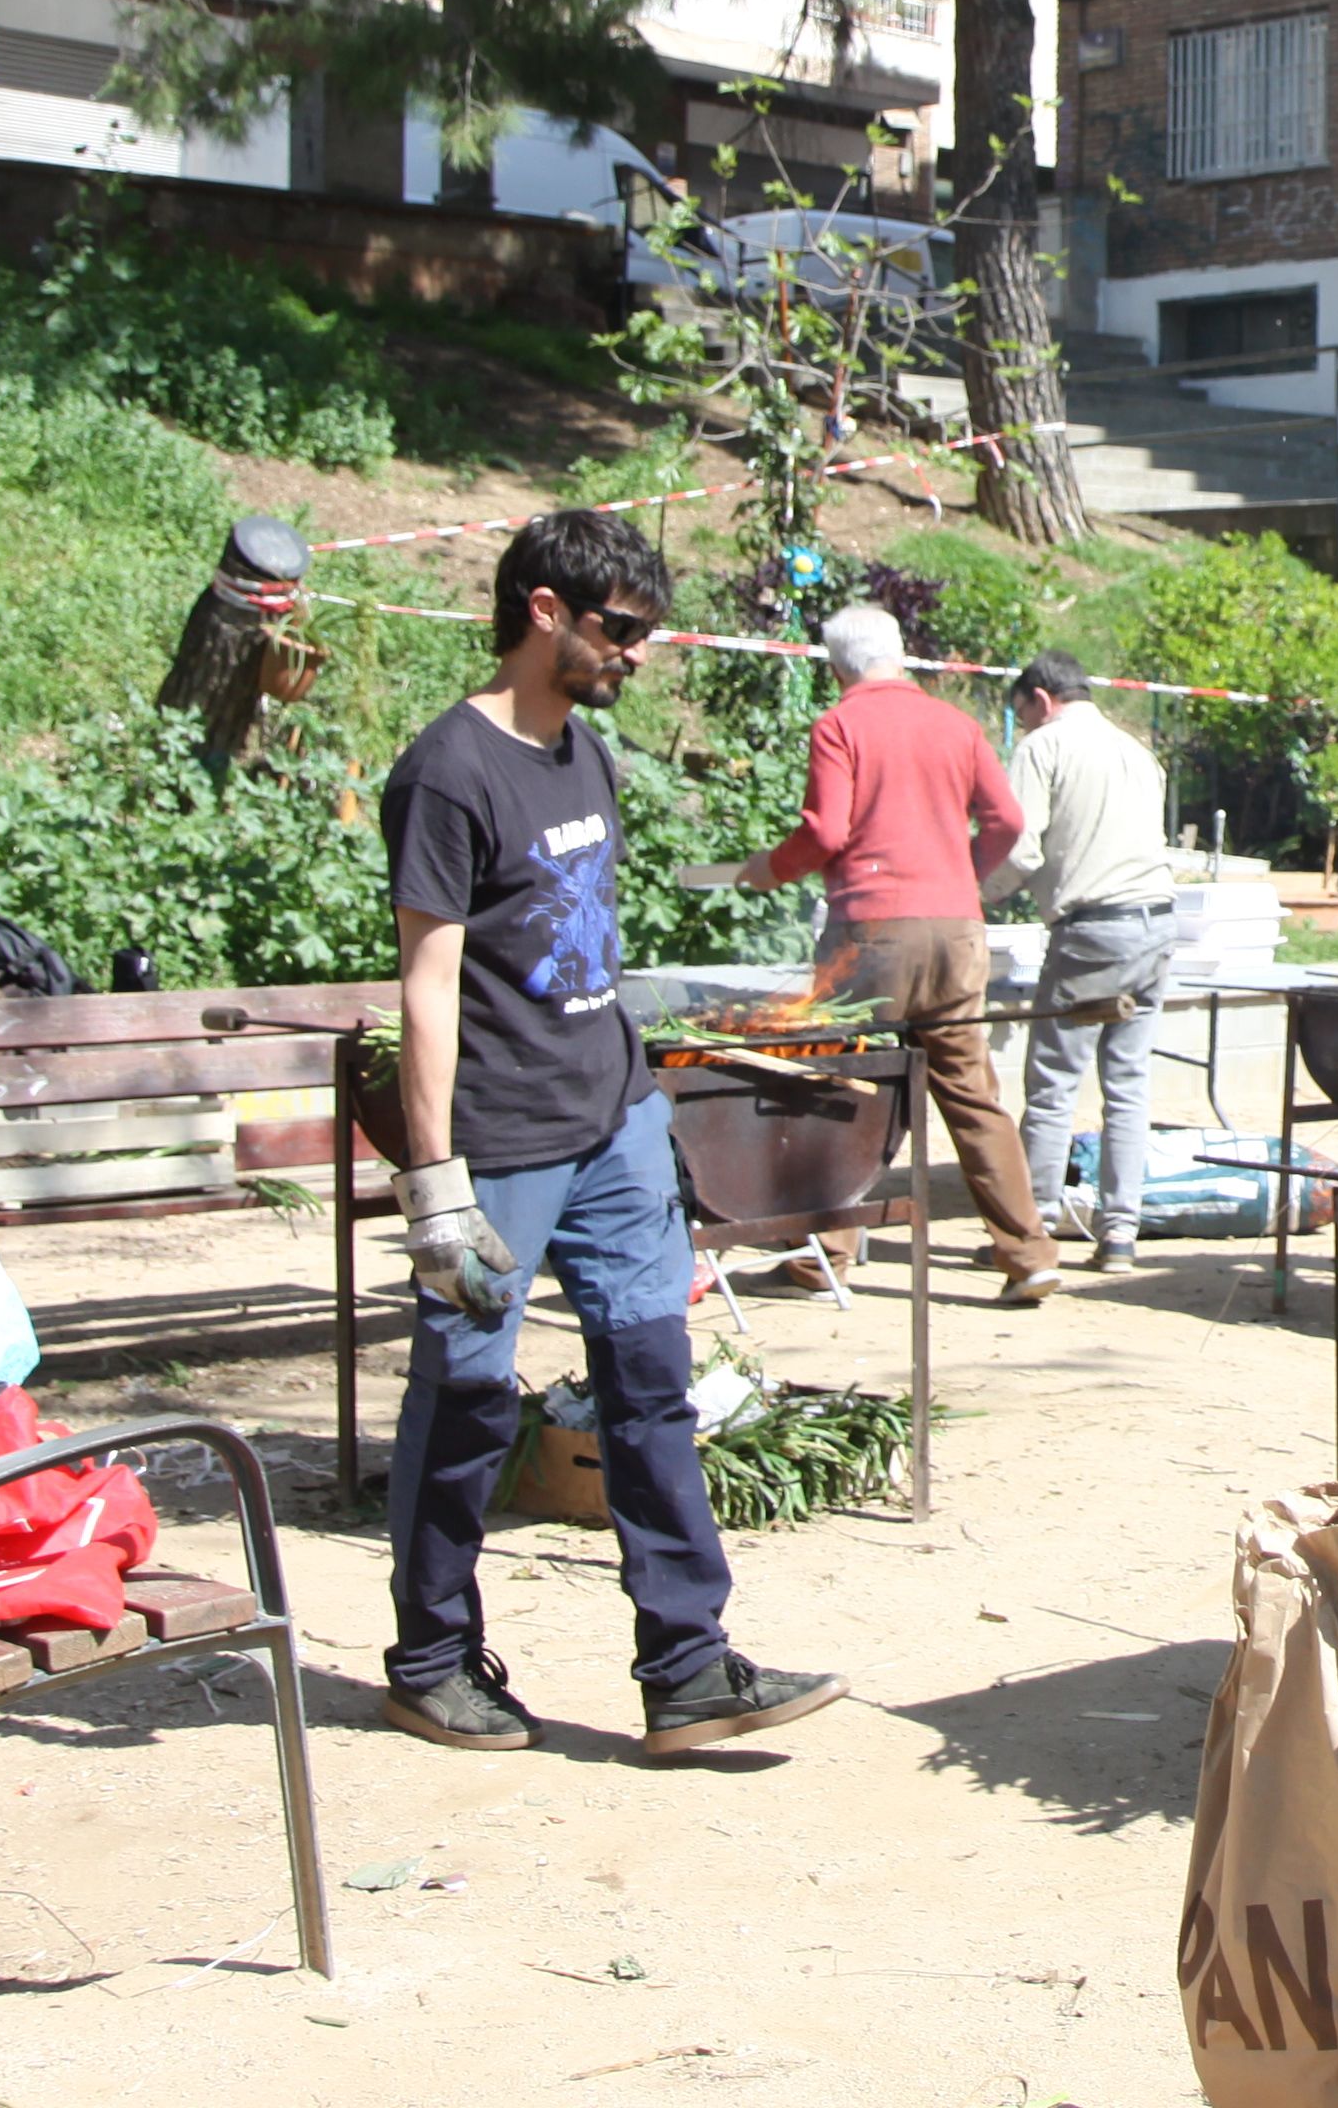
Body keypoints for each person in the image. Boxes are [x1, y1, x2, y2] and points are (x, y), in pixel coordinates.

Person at [377, 508, 835, 1757]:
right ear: (543, 613)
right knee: (467, 1401)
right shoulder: (446, 771)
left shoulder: (582, 752)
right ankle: (428, 1662)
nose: (636, 653)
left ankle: (686, 1668)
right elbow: (427, 982)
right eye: (619, 629)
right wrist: (433, 1184)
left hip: (614, 1121)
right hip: (504, 1139)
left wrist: (640, 1108)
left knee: (652, 1384)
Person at [690, 603, 1062, 1303]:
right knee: (972, 1092)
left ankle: (821, 1256)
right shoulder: (957, 724)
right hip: (957, 932)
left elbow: (827, 830)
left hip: (872, 932)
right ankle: (1028, 1252)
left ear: (838, 667)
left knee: (840, 1088)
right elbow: (1008, 819)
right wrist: (962, 876)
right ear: (900, 653)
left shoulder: (840, 724)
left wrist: (772, 867)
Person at [1000, 650, 1182, 1270]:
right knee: (1128, 1085)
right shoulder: (1137, 751)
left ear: (1041, 700)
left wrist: (970, 892)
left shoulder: (1043, 748)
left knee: (1053, 1084)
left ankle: (1036, 1226)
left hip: (1091, 931)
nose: (1023, 728)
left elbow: (1019, 852)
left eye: (1022, 716)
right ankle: (1120, 1235)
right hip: (1155, 924)